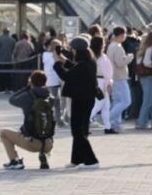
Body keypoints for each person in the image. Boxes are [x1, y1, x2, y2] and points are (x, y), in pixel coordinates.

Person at [53, 36, 99, 169]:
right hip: (86, 99)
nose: (71, 51)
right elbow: (75, 68)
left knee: (78, 131)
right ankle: (76, 159)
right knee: (80, 130)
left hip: (81, 100)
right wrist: (63, 59)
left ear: (77, 50)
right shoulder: (89, 61)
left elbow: (66, 76)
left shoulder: (83, 65)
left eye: (72, 49)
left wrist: (57, 63)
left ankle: (91, 161)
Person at [0, 70, 54, 170]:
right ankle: (43, 155)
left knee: (4, 133)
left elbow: (12, 99)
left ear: (31, 81)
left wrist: (27, 87)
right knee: (41, 125)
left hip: (32, 143)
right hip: (48, 144)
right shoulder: (50, 97)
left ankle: (15, 161)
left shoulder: (28, 96)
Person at [107, 27, 132, 133]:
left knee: (117, 101)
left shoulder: (111, 46)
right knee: (126, 101)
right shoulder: (118, 47)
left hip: (113, 76)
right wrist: (129, 58)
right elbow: (120, 62)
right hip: (120, 77)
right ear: (121, 35)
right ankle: (108, 118)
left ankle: (116, 123)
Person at [134, 31, 152, 129]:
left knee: (151, 100)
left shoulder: (143, 49)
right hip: (149, 76)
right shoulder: (150, 48)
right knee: (149, 101)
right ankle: (142, 122)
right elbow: (147, 62)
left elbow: (139, 62)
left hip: (143, 76)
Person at [90, 36, 113, 133]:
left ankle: (108, 127)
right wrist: (108, 84)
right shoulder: (102, 57)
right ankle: (85, 120)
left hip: (96, 80)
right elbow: (107, 72)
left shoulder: (92, 56)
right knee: (99, 105)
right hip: (102, 81)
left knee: (105, 106)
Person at [43, 39, 66, 127]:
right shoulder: (54, 56)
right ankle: (57, 120)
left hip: (49, 80)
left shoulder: (45, 55)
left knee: (53, 102)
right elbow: (57, 66)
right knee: (56, 102)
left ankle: (51, 120)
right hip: (54, 81)